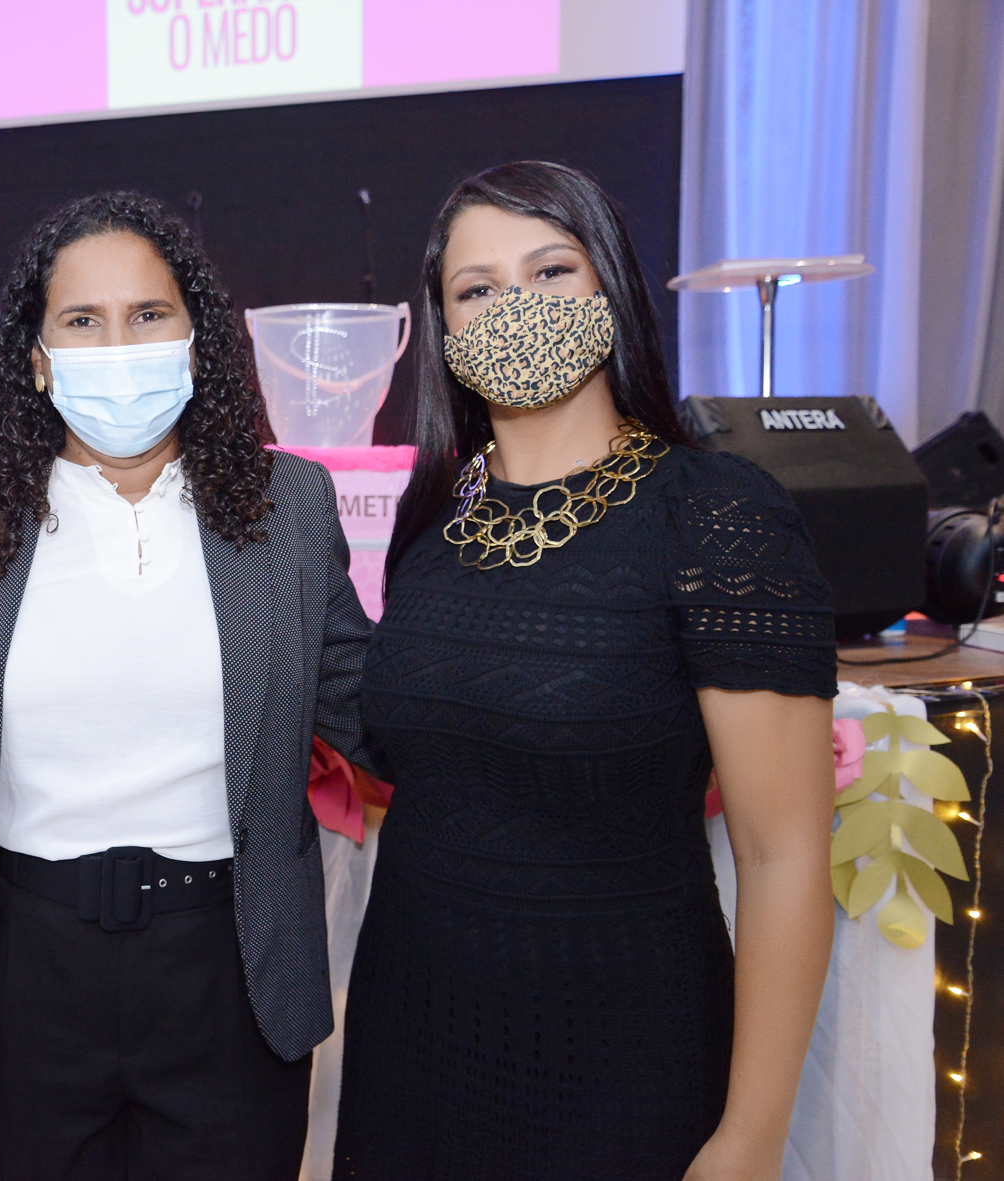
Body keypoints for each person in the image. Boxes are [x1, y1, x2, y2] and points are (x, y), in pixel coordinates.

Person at [333, 162, 837, 1181]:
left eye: (550, 269)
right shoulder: (435, 517)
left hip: (622, 1057)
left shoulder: (711, 511)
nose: (513, 306)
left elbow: (783, 856)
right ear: (441, 325)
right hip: (410, 1045)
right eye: (476, 288)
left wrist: (748, 1137)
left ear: (607, 287)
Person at [0, 190, 385, 1179]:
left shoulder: (286, 507)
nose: (114, 343)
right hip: (26, 977)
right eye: (81, 320)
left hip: (230, 968)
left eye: (146, 314)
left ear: (196, 339)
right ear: (35, 358)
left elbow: (372, 709)